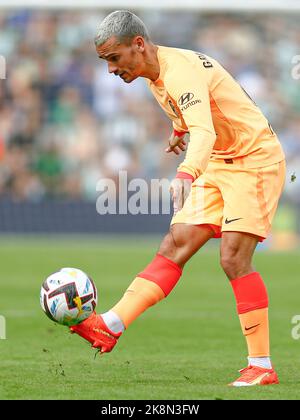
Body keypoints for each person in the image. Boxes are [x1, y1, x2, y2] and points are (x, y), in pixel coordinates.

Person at [70, 10, 286, 387]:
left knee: (234, 257)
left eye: (114, 58)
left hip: (254, 161)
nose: (110, 69)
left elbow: (203, 130)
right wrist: (177, 130)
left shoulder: (179, 69)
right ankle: (110, 324)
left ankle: (262, 365)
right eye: (105, 61)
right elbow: (197, 114)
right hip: (221, 161)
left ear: (138, 44)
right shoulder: (155, 76)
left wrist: (186, 172)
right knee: (175, 244)